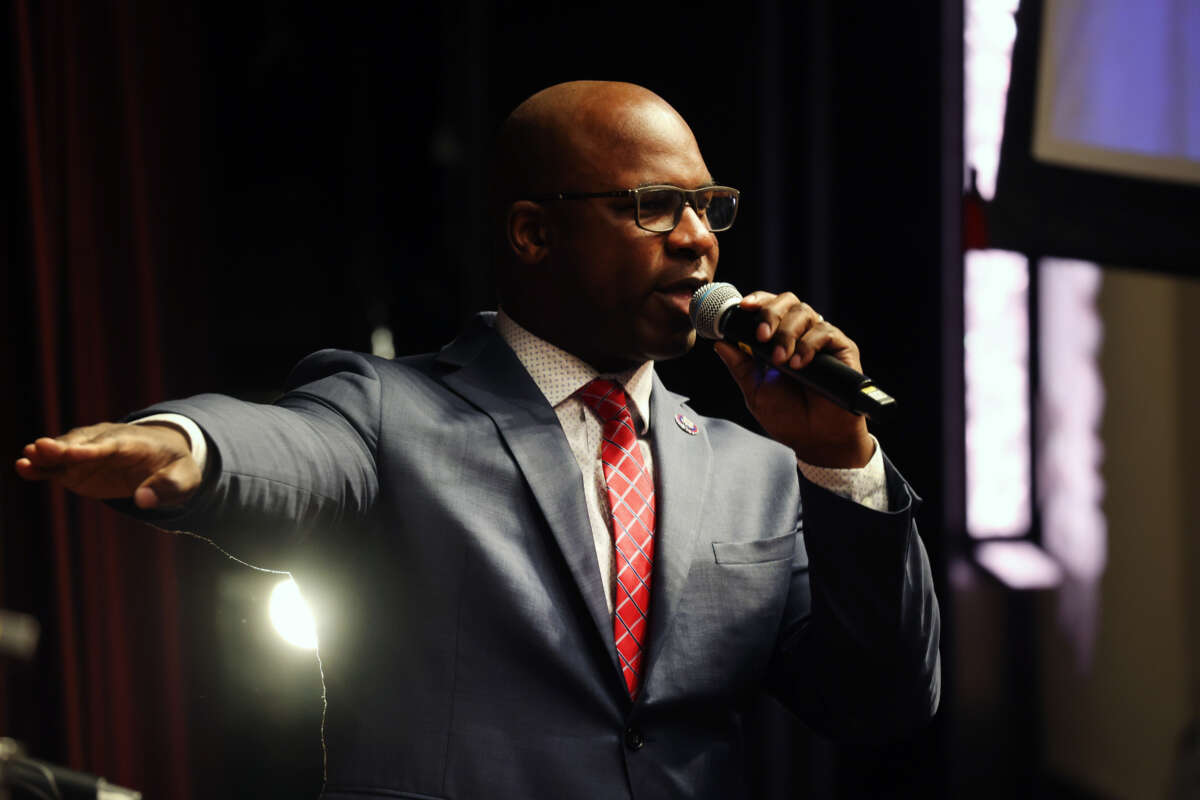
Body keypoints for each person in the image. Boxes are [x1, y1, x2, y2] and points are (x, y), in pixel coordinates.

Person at [15, 81, 940, 800]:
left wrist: (840, 460)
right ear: (533, 233)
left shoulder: (759, 471)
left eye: (709, 206)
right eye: (655, 206)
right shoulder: (392, 410)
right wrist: (191, 449)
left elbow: (881, 703)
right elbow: (290, 449)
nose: (697, 241)